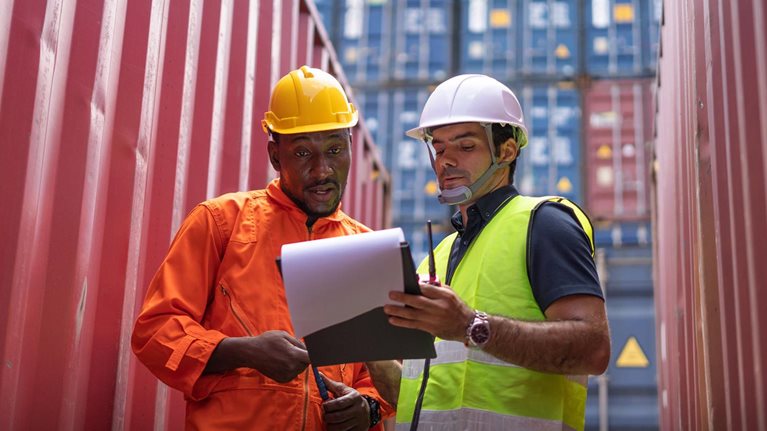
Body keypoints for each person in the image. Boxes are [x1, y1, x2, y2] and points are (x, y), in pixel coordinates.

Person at [131, 66, 393, 430]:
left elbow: (392, 378)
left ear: (351, 147)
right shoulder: (220, 222)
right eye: (303, 153)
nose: (322, 170)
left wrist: (368, 407)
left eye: (334, 148)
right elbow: (155, 332)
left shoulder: (369, 253)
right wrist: (242, 351)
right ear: (275, 155)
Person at [366, 74, 611, 431]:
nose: (445, 161)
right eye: (439, 148)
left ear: (507, 151)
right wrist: (363, 343)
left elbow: (594, 349)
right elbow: (417, 397)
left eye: (465, 147)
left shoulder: (545, 223)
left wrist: (470, 326)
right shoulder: (435, 258)